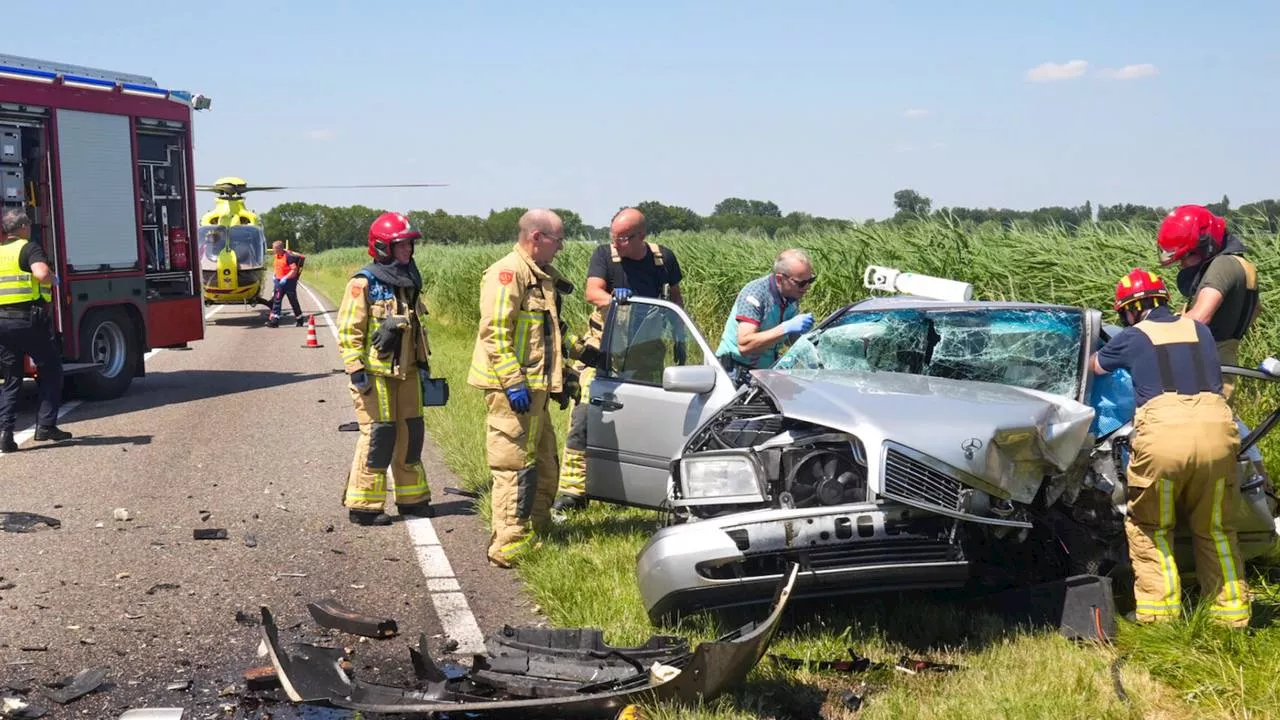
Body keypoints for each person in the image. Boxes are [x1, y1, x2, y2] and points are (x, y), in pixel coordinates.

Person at [1090, 268, 1249, 628]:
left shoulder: (1133, 336)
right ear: (1163, 300)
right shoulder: (1201, 330)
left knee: (1152, 527)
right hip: (1218, 432)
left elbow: (1095, 366)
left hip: (1164, 436)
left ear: (1130, 310)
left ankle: (1159, 617)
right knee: (1217, 528)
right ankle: (1232, 615)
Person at [552, 208, 685, 513]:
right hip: (603, 352)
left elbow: (675, 297)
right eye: (613, 236)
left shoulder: (663, 259)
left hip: (647, 354)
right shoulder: (604, 256)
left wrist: (679, 334)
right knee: (584, 418)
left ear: (641, 236)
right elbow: (591, 291)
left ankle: (632, 490)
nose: (617, 243)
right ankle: (572, 492)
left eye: (623, 238)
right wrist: (615, 299)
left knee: (642, 421)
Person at [467, 209, 573, 568]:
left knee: (543, 461)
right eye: (557, 241)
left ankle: (537, 527)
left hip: (536, 388)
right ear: (537, 238)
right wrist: (513, 382)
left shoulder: (539, 276)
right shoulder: (507, 274)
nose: (560, 248)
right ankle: (508, 543)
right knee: (514, 466)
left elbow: (547, 336)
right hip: (512, 390)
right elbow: (495, 333)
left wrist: (561, 378)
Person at [336, 212, 434, 526]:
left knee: (411, 434)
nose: (408, 250)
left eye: (409, 244)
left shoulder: (407, 283)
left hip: (408, 374)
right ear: (382, 248)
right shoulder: (363, 283)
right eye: (401, 245)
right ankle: (364, 507)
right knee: (379, 436)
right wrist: (355, 370)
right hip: (375, 376)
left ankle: (412, 500)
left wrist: (422, 366)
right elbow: (349, 331)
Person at [1156, 204, 1261, 400]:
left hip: (1205, 370)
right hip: (1223, 364)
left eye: (1187, 256)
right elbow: (1256, 310)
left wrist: (1151, 335)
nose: (1182, 264)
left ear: (1206, 246)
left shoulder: (1222, 265)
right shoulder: (1243, 266)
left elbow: (1199, 318)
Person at [0, 209, 71, 454]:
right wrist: (53, 278)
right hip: (27, 320)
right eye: (27, 224)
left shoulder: (0, 252)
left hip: (2, 323)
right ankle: (47, 426)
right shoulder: (29, 248)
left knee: (11, 378)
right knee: (50, 368)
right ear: (22, 226)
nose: (29, 227)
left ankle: (5, 435)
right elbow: (41, 275)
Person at [714, 248, 816, 384]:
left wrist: (810, 341)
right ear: (780, 279)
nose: (807, 287)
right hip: (734, 372)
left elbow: (789, 339)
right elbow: (745, 345)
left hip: (764, 372)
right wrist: (785, 328)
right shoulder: (755, 294)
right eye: (801, 283)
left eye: (810, 281)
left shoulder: (791, 295)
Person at [267, 240, 307, 328]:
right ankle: (274, 321)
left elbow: (294, 270)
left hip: (289, 283)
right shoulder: (276, 256)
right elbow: (277, 266)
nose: (273, 250)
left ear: (280, 248)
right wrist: (275, 274)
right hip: (279, 282)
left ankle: (300, 319)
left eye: (274, 248)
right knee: (276, 301)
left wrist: (285, 278)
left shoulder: (288, 257)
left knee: (293, 301)